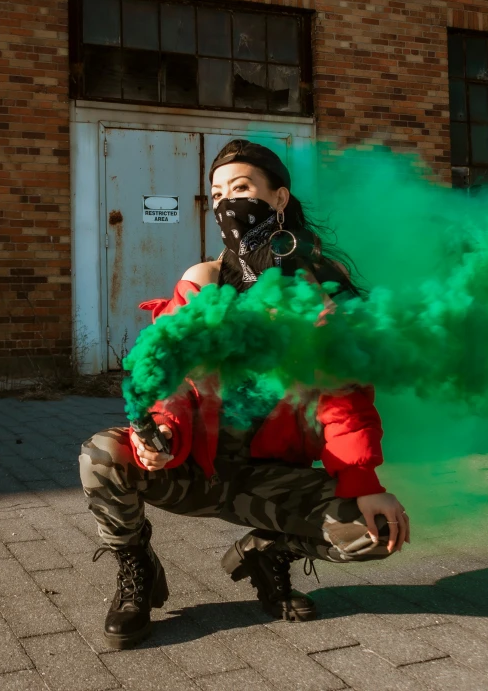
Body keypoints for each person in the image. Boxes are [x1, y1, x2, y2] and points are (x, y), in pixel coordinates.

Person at [79, 139, 410, 650]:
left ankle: (268, 553)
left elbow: (344, 394)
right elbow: (171, 376)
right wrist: (162, 430)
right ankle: (136, 567)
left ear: (278, 198)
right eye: (216, 194)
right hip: (197, 468)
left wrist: (364, 479)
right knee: (103, 455)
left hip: (272, 478)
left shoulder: (320, 283)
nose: (226, 203)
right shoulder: (204, 279)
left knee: (375, 531)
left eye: (241, 188)